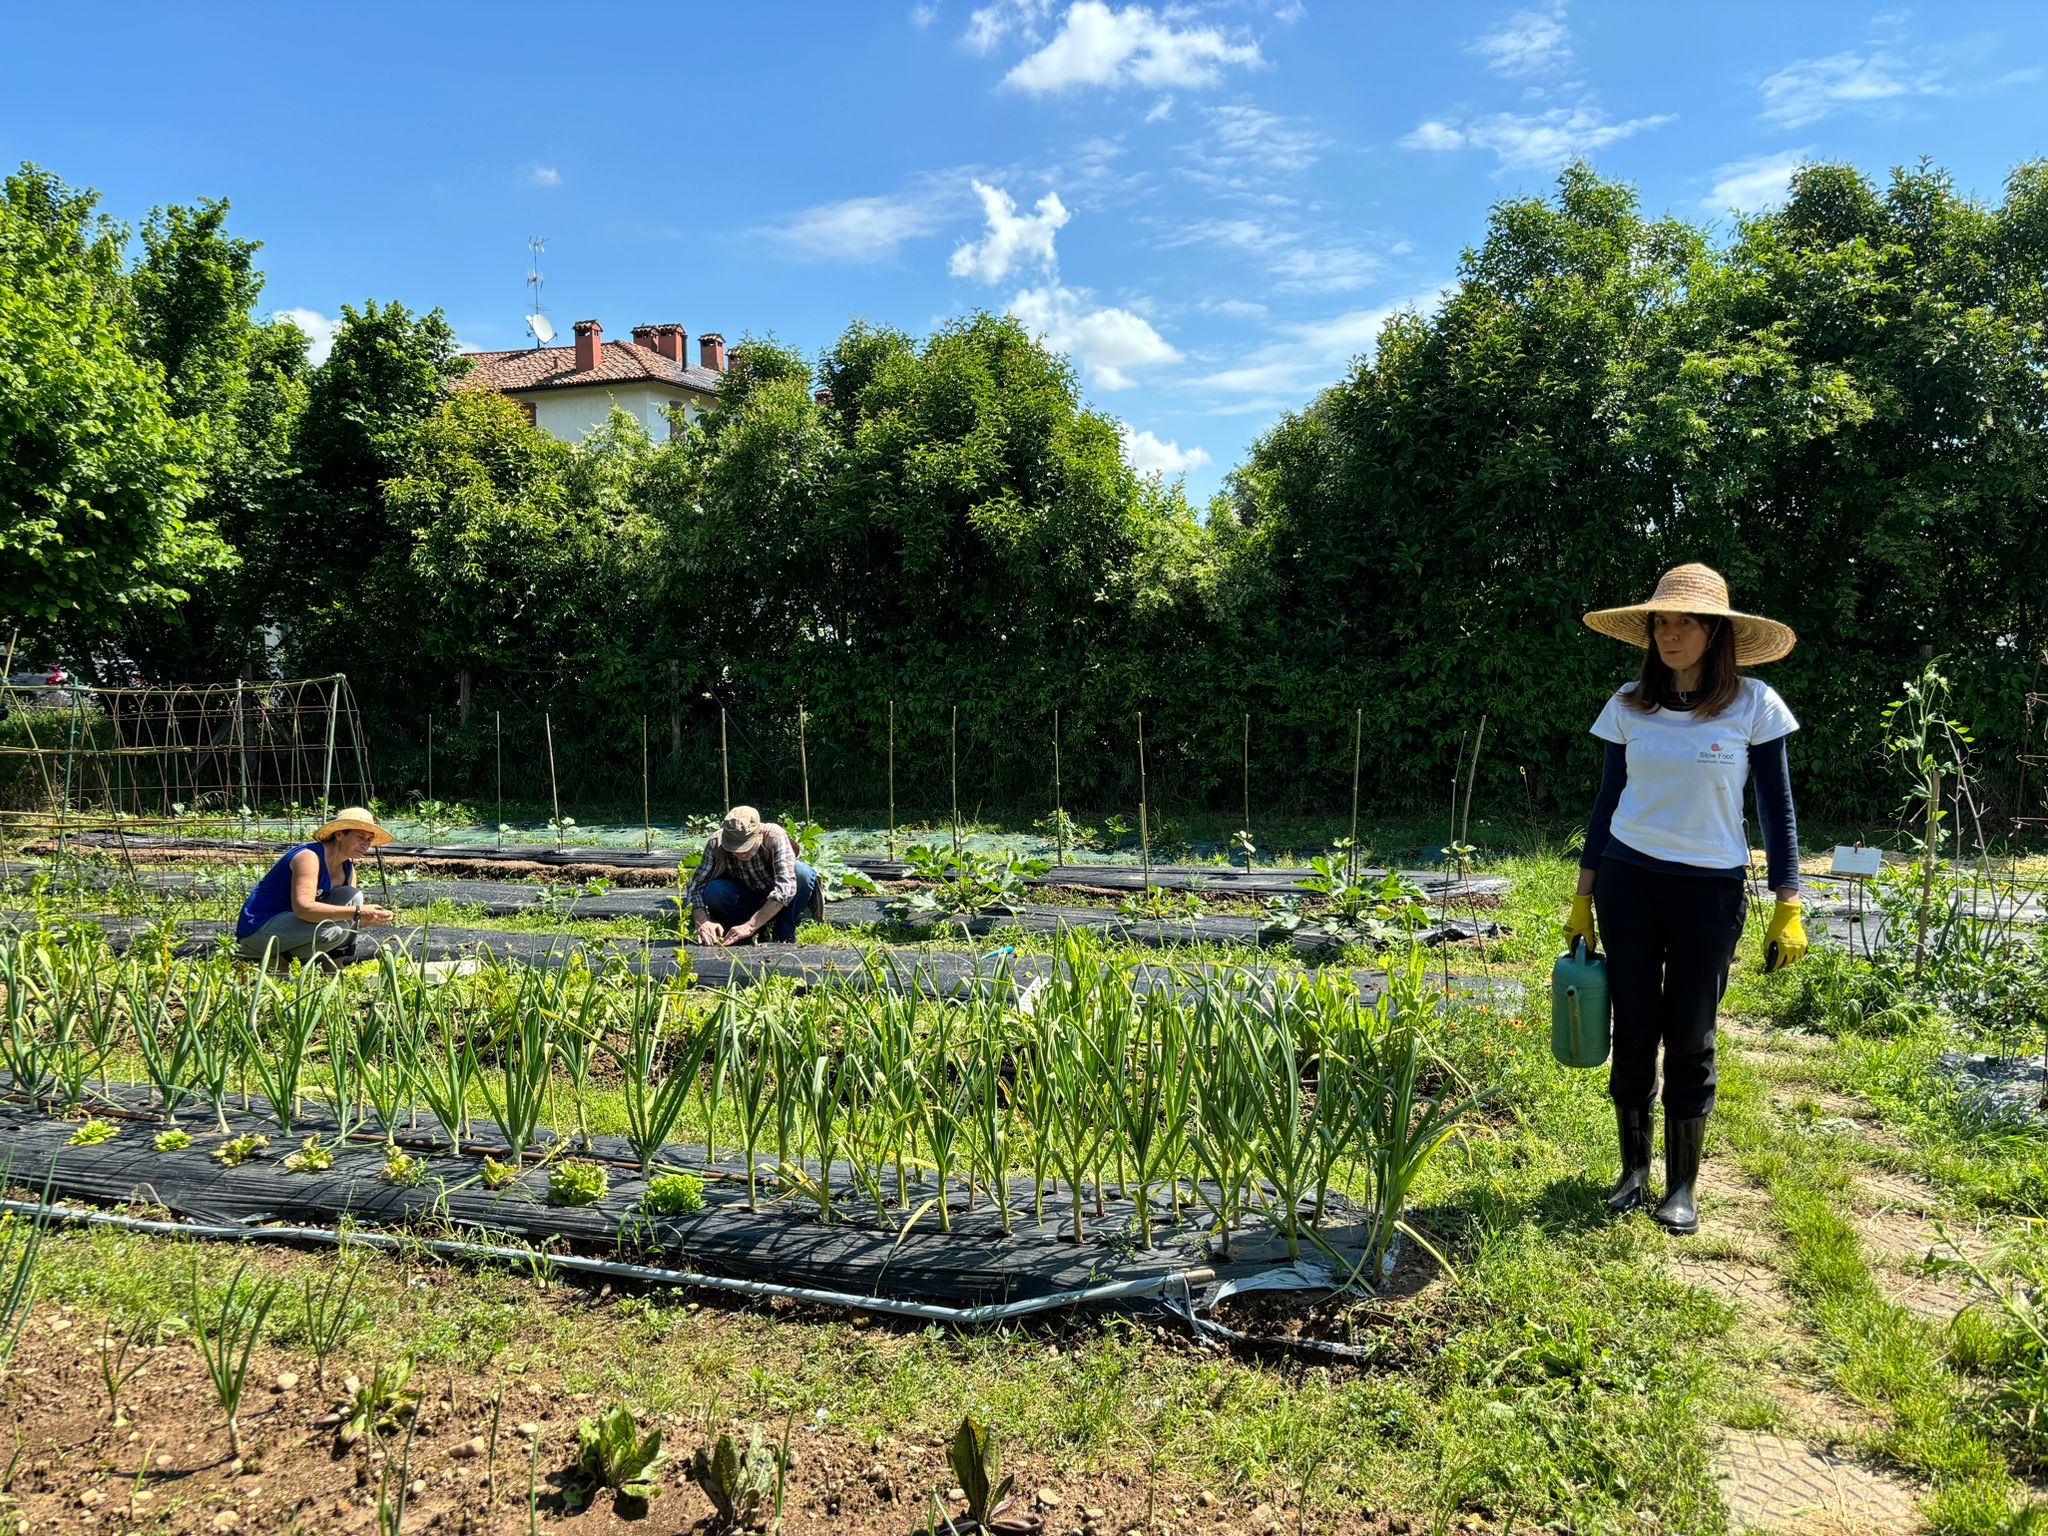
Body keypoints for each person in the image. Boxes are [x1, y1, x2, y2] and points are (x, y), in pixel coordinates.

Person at [1566, 563, 1809, 1236]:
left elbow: (1776, 809)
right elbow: (1607, 801)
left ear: (1716, 632)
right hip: (1628, 880)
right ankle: (1633, 1171)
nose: (1670, 633)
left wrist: (1789, 902)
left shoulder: (1753, 704)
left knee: (1691, 1033)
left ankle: (1682, 1186)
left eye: (1685, 621)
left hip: (1709, 887)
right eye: (1661, 622)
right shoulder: (1627, 704)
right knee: (1635, 1025)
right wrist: (1583, 896)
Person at [234, 806, 396, 966]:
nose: (365, 845)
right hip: (259, 929)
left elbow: (350, 918)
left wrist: (368, 918)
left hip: (295, 927)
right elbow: (304, 909)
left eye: (369, 840)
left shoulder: (347, 869)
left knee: (353, 896)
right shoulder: (309, 857)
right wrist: (358, 913)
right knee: (334, 931)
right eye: (360, 837)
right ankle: (275, 958)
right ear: (339, 834)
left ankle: (333, 968)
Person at [684, 805, 820, 945]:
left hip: (777, 900)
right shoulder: (716, 843)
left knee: (803, 873)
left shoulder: (774, 836)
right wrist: (703, 921)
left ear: (759, 834)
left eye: (745, 846)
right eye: (734, 847)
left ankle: (783, 933)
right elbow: (697, 887)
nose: (740, 852)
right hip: (743, 898)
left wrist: (750, 926)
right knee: (714, 890)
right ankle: (743, 933)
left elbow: (785, 888)